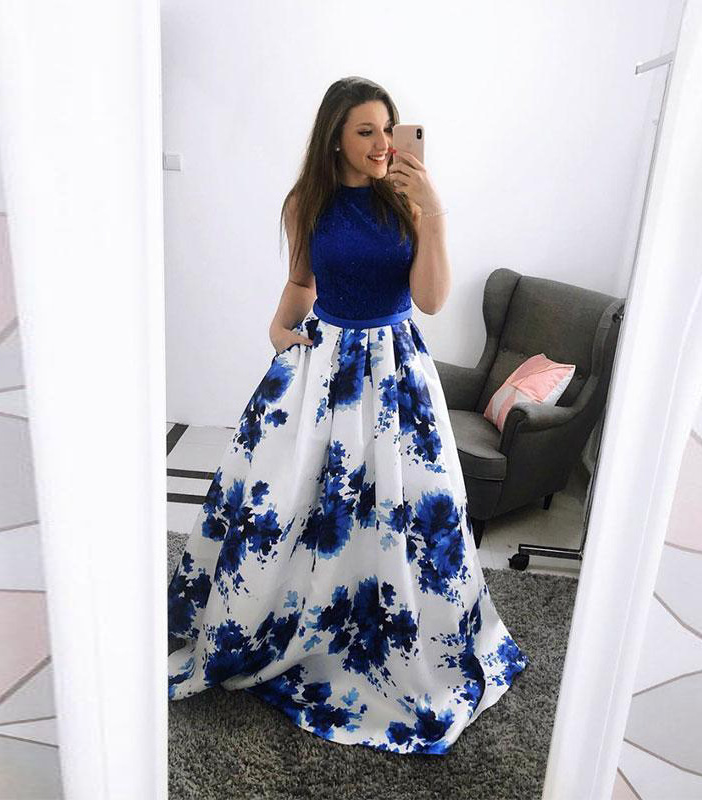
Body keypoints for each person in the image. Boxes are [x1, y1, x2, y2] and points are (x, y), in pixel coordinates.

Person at [167, 76, 529, 756]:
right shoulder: (306, 201)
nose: (383, 143)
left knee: (409, 506)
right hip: (323, 367)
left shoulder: (407, 199)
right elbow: (302, 280)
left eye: (388, 129)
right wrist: (279, 327)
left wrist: (432, 211)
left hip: (396, 369)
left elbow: (430, 300)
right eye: (366, 131)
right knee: (292, 502)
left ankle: (396, 635)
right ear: (335, 136)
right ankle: (295, 620)